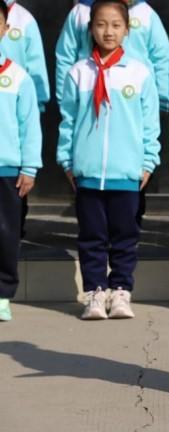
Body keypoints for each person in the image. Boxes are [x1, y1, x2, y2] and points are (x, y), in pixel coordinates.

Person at [57, 0, 161, 320]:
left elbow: (149, 123)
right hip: (87, 172)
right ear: (90, 28)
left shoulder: (139, 73)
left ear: (127, 30)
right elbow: (68, 121)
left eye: (116, 25)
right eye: (101, 24)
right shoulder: (78, 73)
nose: (108, 31)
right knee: (91, 237)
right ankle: (94, 292)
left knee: (124, 238)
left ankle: (120, 291)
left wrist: (148, 161)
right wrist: (67, 161)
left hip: (126, 173)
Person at [0, 0, 42, 322]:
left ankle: (2, 293)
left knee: (5, 233)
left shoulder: (18, 77)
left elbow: (30, 127)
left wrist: (29, 167)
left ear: (5, 29)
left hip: (7, 170)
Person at [55, 0, 169, 111]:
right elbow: (65, 58)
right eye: (100, 25)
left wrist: (162, 99)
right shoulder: (81, 12)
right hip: (88, 93)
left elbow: (161, 57)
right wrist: (64, 99)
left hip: (136, 96)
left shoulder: (145, 13)